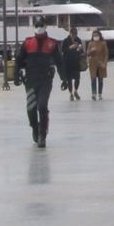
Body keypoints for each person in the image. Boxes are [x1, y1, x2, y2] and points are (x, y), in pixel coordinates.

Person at [15, 17, 66, 148]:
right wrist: (15, 76)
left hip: (45, 80)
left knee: (42, 106)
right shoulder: (27, 43)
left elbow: (59, 62)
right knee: (31, 108)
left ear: (45, 26)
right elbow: (18, 60)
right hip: (31, 80)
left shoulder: (52, 44)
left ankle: (42, 135)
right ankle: (34, 127)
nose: (39, 27)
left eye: (41, 25)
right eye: (37, 25)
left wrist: (64, 79)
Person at [61, 27, 84, 101]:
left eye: (75, 34)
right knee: (69, 79)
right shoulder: (65, 41)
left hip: (76, 62)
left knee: (77, 78)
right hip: (67, 62)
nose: (74, 36)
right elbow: (63, 50)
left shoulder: (78, 40)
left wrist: (79, 49)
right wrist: (70, 47)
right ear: (70, 33)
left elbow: (81, 50)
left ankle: (76, 91)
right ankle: (71, 93)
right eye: (73, 34)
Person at [87, 29, 109, 100]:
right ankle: (93, 94)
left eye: (97, 35)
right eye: (94, 35)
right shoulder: (90, 43)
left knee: (100, 79)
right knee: (93, 79)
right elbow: (87, 53)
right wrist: (91, 51)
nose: (95, 36)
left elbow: (106, 54)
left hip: (101, 62)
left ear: (100, 35)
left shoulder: (103, 43)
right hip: (92, 63)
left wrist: (104, 63)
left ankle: (100, 94)